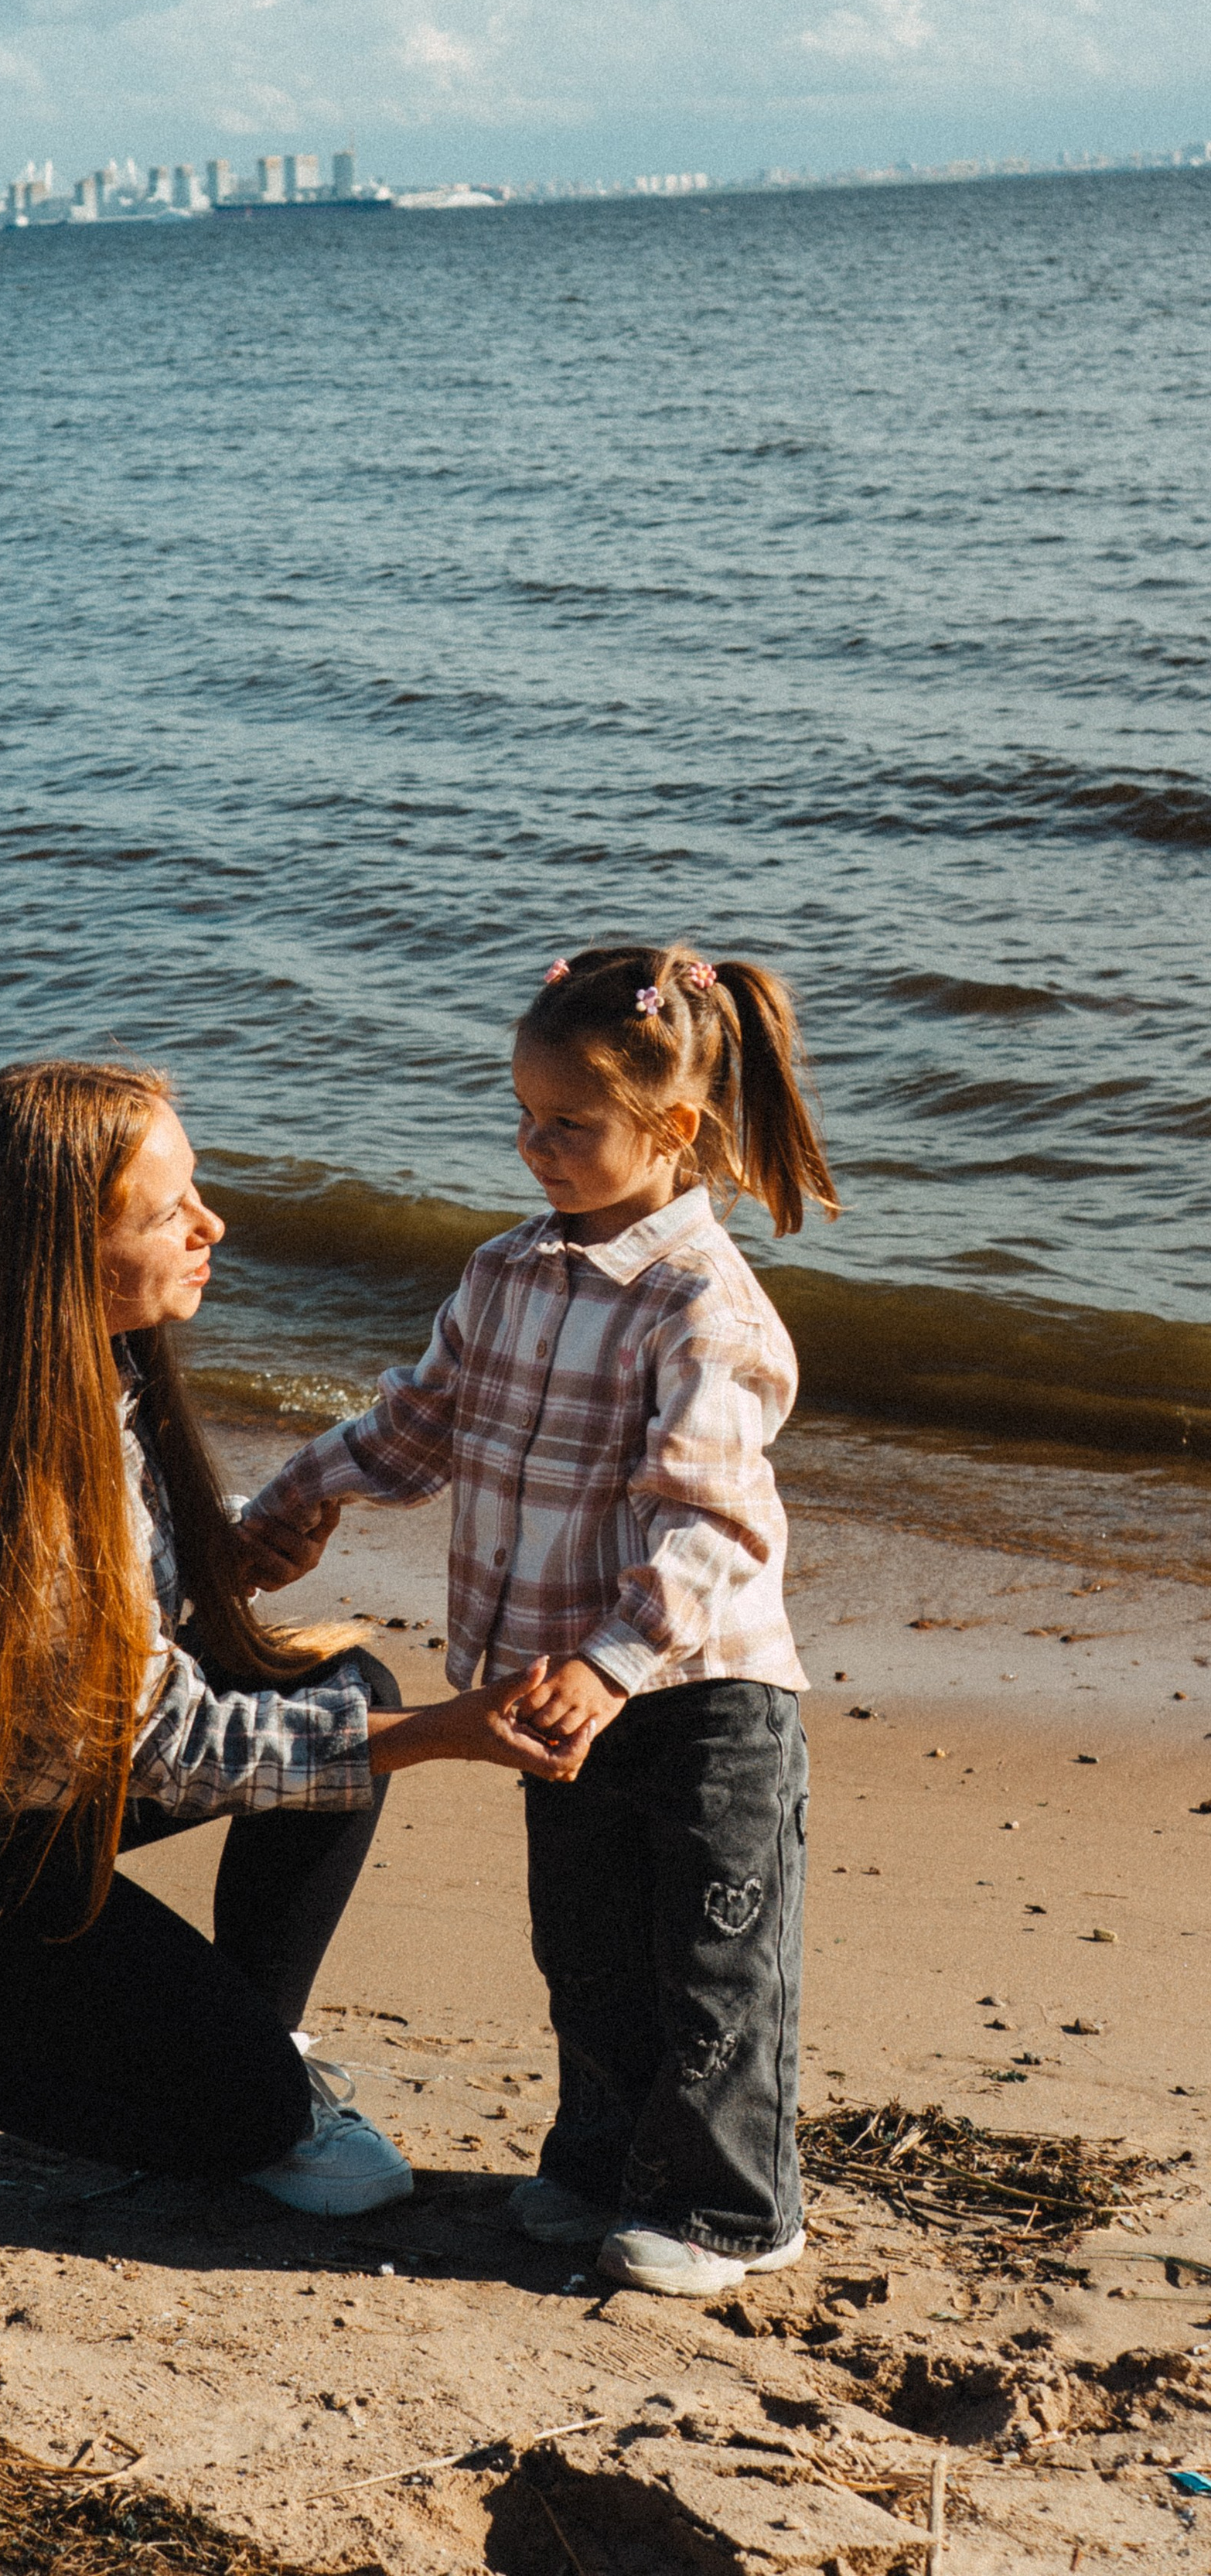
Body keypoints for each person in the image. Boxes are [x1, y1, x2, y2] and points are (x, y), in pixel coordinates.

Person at [0, 1057, 570, 2217]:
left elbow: (89, 1614)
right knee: (242, 2111)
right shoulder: (9, 1469)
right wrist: (438, 1734)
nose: (211, 1225)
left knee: (339, 1675)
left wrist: (222, 1548)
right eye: (169, 1211)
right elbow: (163, 1744)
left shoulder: (49, 1368)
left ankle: (247, 2050)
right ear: (64, 1247)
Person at [244, 945, 839, 2298]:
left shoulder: (701, 1307)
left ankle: (736, 2209)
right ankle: (601, 2162)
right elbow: (421, 1420)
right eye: (523, 1116)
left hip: (699, 1696)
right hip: (549, 1687)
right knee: (583, 1944)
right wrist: (300, 1498)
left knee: (711, 1954)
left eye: (568, 1125)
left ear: (672, 1130)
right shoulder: (510, 1272)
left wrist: (617, 1661)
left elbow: (714, 1524)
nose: (535, 1147)